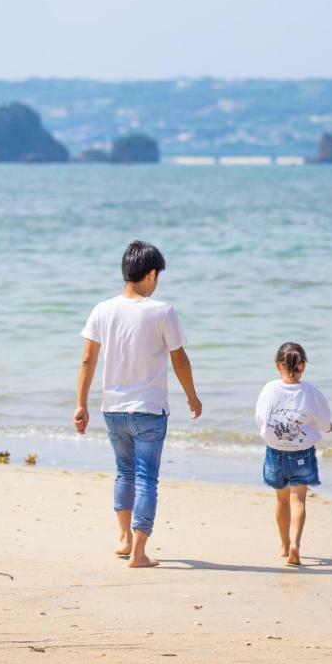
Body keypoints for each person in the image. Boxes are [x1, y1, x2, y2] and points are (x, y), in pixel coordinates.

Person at [74, 240, 203, 568]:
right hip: (149, 410)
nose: (157, 281)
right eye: (157, 275)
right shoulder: (162, 311)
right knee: (146, 478)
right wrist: (191, 396)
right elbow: (180, 359)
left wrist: (81, 405)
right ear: (150, 274)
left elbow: (87, 360)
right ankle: (139, 552)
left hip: (113, 410)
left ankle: (123, 540)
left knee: (124, 472)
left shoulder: (102, 309)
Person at [254, 342, 332, 566]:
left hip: (275, 452)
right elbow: (324, 420)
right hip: (302, 453)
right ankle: (296, 545)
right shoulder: (310, 391)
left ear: (277, 365)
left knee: (281, 499)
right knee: (298, 500)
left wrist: (267, 434)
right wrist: (327, 428)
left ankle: (283, 545)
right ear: (304, 365)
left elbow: (260, 418)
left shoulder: (269, 388)